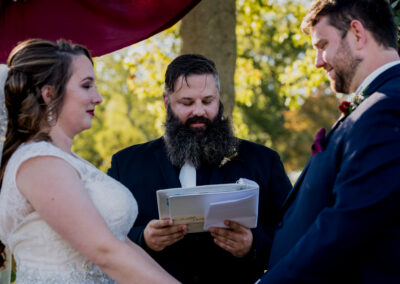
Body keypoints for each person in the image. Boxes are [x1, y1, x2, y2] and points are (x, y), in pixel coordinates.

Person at [0, 39, 179, 284]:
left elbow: (120, 243)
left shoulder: (68, 161)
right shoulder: (40, 163)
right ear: (49, 94)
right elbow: (105, 251)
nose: (98, 97)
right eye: (87, 86)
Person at [108, 54, 292, 284]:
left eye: (208, 101)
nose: (199, 111)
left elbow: (294, 235)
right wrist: (142, 238)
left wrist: (253, 244)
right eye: (187, 103)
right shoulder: (126, 165)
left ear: (219, 100)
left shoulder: (263, 161)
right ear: (166, 101)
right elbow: (104, 236)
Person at [256, 0, 400, 283]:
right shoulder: (375, 103)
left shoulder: (386, 108)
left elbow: (349, 223)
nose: (318, 61)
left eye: (322, 45)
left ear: (357, 34)